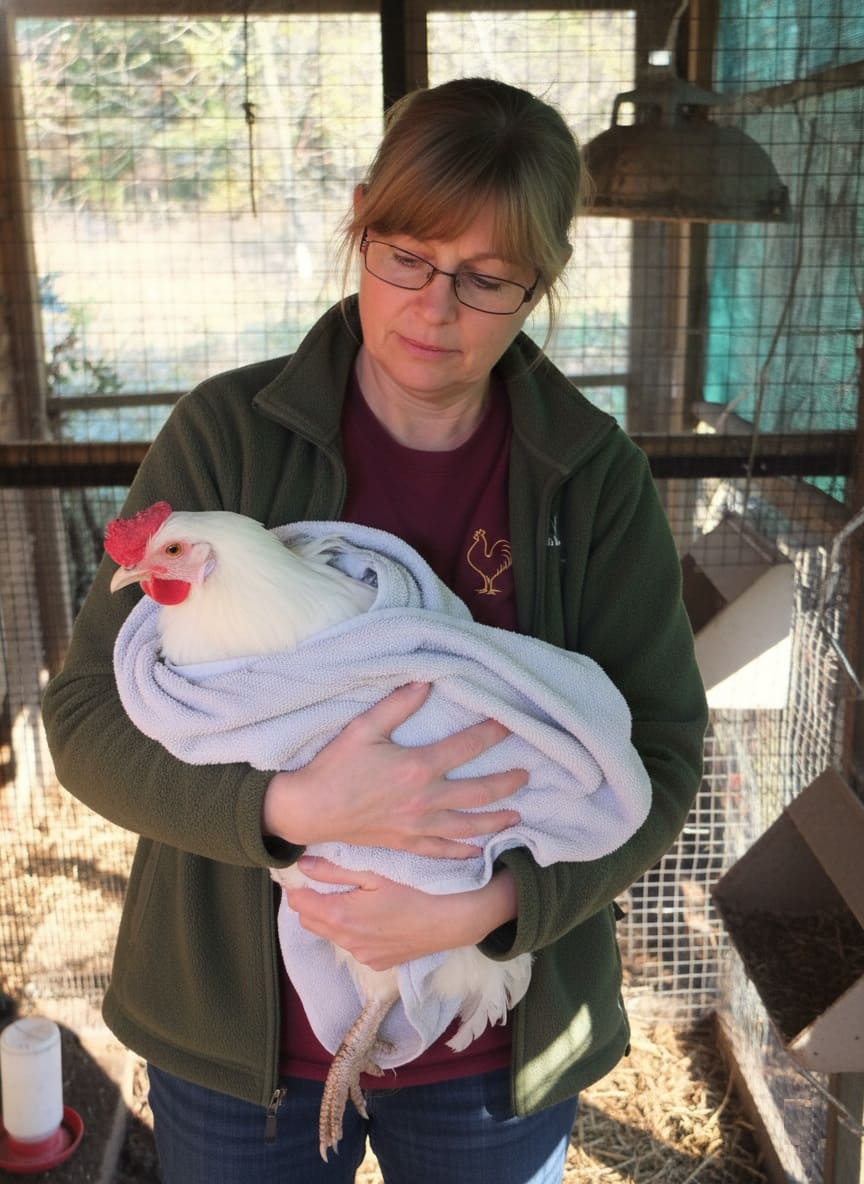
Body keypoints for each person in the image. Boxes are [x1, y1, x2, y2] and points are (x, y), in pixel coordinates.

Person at [42, 77, 707, 1183]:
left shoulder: (590, 477)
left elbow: (667, 752)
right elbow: (82, 720)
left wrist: (490, 906)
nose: (434, 308)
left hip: (489, 1040)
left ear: (541, 282)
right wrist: (290, 807)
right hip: (236, 1040)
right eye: (405, 256)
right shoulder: (227, 435)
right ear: (360, 221)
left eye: (486, 279)